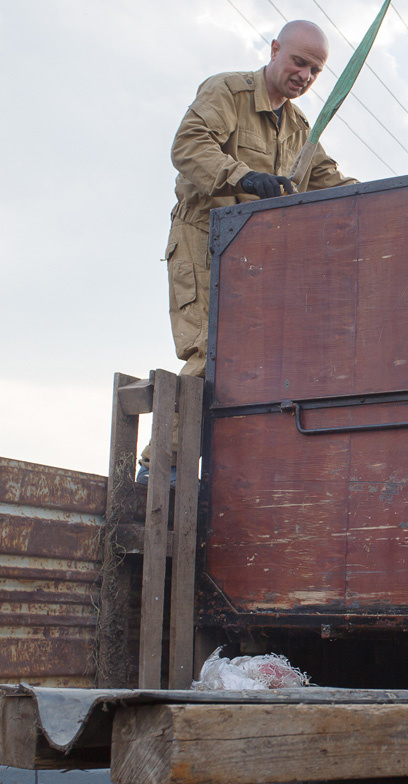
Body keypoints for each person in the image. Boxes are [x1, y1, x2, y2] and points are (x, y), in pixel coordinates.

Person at [139, 20, 358, 481]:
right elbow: (189, 146)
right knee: (209, 350)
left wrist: (395, 197)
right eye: (299, 62)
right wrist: (242, 177)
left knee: (248, 363)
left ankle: (219, 476)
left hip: (254, 259)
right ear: (275, 49)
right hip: (202, 239)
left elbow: (330, 183)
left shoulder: (300, 129)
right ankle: (160, 473)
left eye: (315, 71)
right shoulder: (228, 92)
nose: (305, 75)